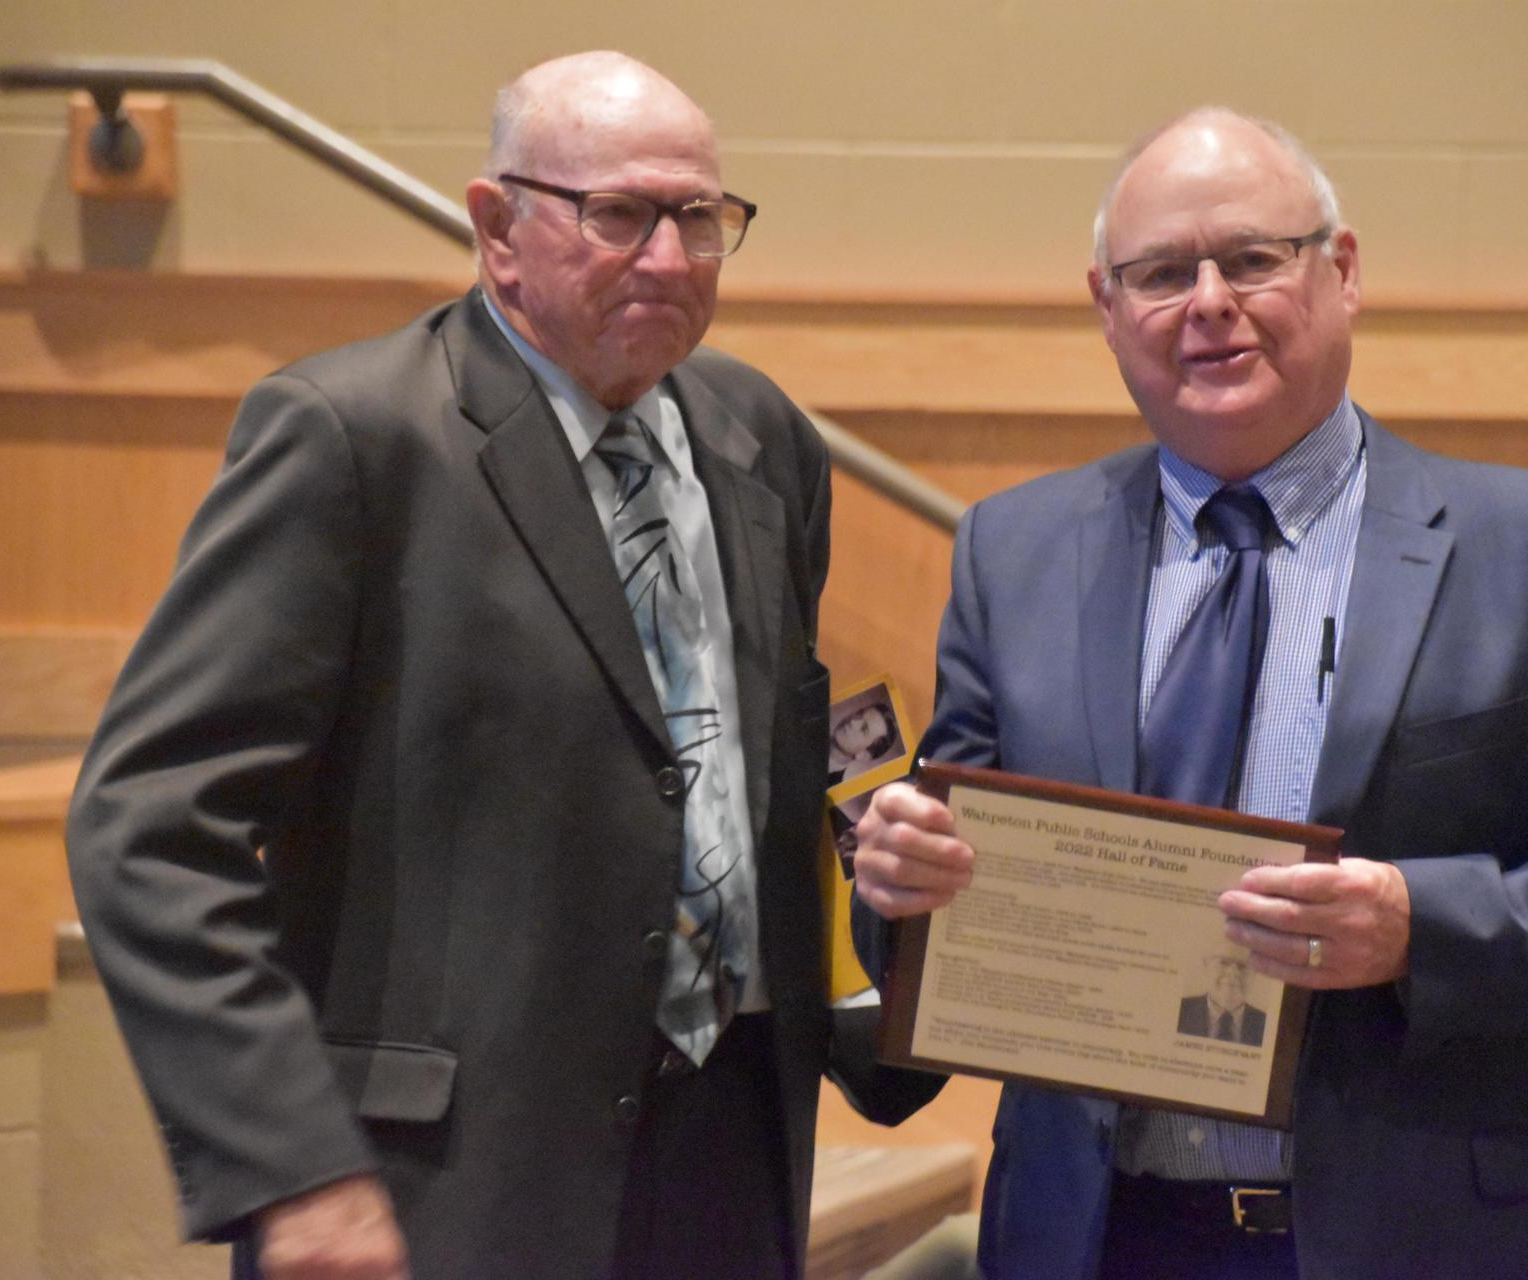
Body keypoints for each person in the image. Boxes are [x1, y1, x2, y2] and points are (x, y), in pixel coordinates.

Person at [851, 106, 1528, 1280]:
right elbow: (937, 908)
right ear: (1107, 305)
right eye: (1163, 273)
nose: (1210, 301)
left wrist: (1416, 923)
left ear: (1340, 271)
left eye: (1252, 258)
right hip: (1093, 1237)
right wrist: (898, 880)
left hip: (1428, 1240)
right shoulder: (1014, 553)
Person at [66, 51, 932, 1280]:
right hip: (447, 1180)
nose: (672, 260)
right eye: (620, 215)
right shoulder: (351, 440)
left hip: (732, 1147)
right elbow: (149, 827)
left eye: (700, 218)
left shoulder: (764, 439)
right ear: (497, 227)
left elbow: (780, 775)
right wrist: (290, 1161)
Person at [1177, 952, 1265, 1047]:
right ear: (1205, 967)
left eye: (1243, 965)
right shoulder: (1179, 1011)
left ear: (1255, 974)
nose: (1233, 973)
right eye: (1223, 962)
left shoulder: (1266, 1025)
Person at [826, 700, 901, 786]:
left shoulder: (831, 786)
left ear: (864, 754)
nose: (853, 722)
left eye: (864, 729)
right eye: (859, 714)